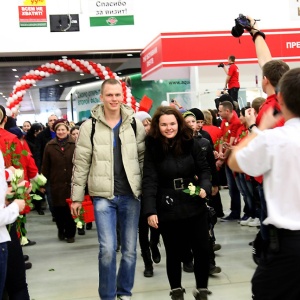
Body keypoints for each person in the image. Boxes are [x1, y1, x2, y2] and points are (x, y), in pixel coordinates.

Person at [228, 67, 300, 300]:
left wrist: (259, 129)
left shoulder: (273, 139)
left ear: (280, 99)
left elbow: (234, 161)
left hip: (288, 247)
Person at [71, 78, 146, 300]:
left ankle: (125, 292)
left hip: (131, 195)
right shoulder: (89, 126)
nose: (114, 99)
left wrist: (147, 193)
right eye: (109, 95)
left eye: (117, 95)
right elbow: (81, 163)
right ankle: (107, 295)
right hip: (103, 196)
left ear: (122, 96)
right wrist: (76, 197)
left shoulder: (134, 124)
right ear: (102, 97)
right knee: (107, 250)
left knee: (130, 251)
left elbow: (143, 160)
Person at [142, 106, 212, 300]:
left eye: (172, 123)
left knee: (202, 248)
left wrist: (205, 186)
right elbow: (149, 180)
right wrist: (150, 210)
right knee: (173, 251)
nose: (169, 128)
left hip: (193, 200)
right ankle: (176, 290)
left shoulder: (191, 143)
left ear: (178, 124)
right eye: (164, 124)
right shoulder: (153, 146)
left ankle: (202, 289)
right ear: (158, 126)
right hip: (167, 205)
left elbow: (205, 169)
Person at [135, 111, 161, 278]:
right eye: (142, 124)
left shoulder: (157, 142)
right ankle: (147, 263)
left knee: (156, 223)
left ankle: (154, 243)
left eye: (148, 123)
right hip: (137, 192)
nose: (146, 127)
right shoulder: (131, 144)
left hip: (155, 190)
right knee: (142, 229)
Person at [41, 119, 76, 243]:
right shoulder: (50, 146)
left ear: (67, 131)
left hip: (72, 183)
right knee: (59, 210)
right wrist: (43, 183)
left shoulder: (74, 144)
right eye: (58, 130)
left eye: (63, 130)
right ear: (55, 131)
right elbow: (45, 166)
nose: (61, 132)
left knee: (71, 210)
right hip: (56, 183)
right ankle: (61, 229)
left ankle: (71, 234)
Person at [216, 101, 242, 221]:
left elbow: (232, 143)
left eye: (220, 111)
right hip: (226, 158)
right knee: (232, 187)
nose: (219, 113)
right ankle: (234, 210)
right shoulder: (224, 121)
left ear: (227, 111)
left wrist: (223, 157)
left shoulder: (236, 122)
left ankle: (236, 212)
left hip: (232, 159)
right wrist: (221, 153)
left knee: (236, 187)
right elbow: (222, 137)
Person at [35, 114, 58, 219]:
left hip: (62, 169)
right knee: (50, 193)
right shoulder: (41, 136)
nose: (52, 122)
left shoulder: (64, 133)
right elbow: (38, 154)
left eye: (54, 120)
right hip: (47, 169)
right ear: (47, 122)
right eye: (50, 120)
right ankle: (54, 214)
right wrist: (39, 170)